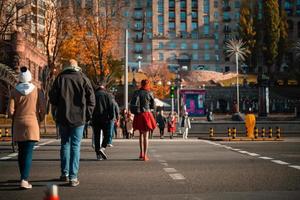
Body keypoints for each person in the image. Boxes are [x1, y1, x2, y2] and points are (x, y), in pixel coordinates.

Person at [49, 59, 95, 187]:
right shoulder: (83, 78)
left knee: (65, 144)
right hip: (79, 118)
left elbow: (52, 98)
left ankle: (65, 173)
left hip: (63, 116)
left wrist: (56, 112)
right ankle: (73, 177)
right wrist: (87, 115)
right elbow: (91, 100)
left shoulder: (60, 78)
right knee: (75, 146)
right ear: (77, 67)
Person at [9, 66, 45, 189]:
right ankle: (24, 179)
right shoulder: (37, 91)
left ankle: (22, 177)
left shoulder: (14, 91)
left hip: (18, 124)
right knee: (29, 152)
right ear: (30, 78)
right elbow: (43, 109)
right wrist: (39, 118)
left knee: (21, 152)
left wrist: (14, 116)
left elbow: (10, 111)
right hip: (32, 123)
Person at [132, 79, 156, 161]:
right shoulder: (150, 93)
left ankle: (141, 153)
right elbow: (153, 106)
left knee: (141, 135)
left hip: (138, 115)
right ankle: (145, 155)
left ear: (141, 84)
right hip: (146, 114)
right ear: (148, 84)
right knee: (146, 136)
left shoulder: (136, 92)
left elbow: (133, 103)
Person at [91, 83, 114, 160]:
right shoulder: (108, 95)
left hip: (95, 118)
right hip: (105, 118)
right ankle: (103, 147)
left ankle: (98, 155)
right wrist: (112, 116)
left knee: (97, 137)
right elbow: (111, 106)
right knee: (107, 135)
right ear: (104, 87)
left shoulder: (94, 95)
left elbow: (90, 106)